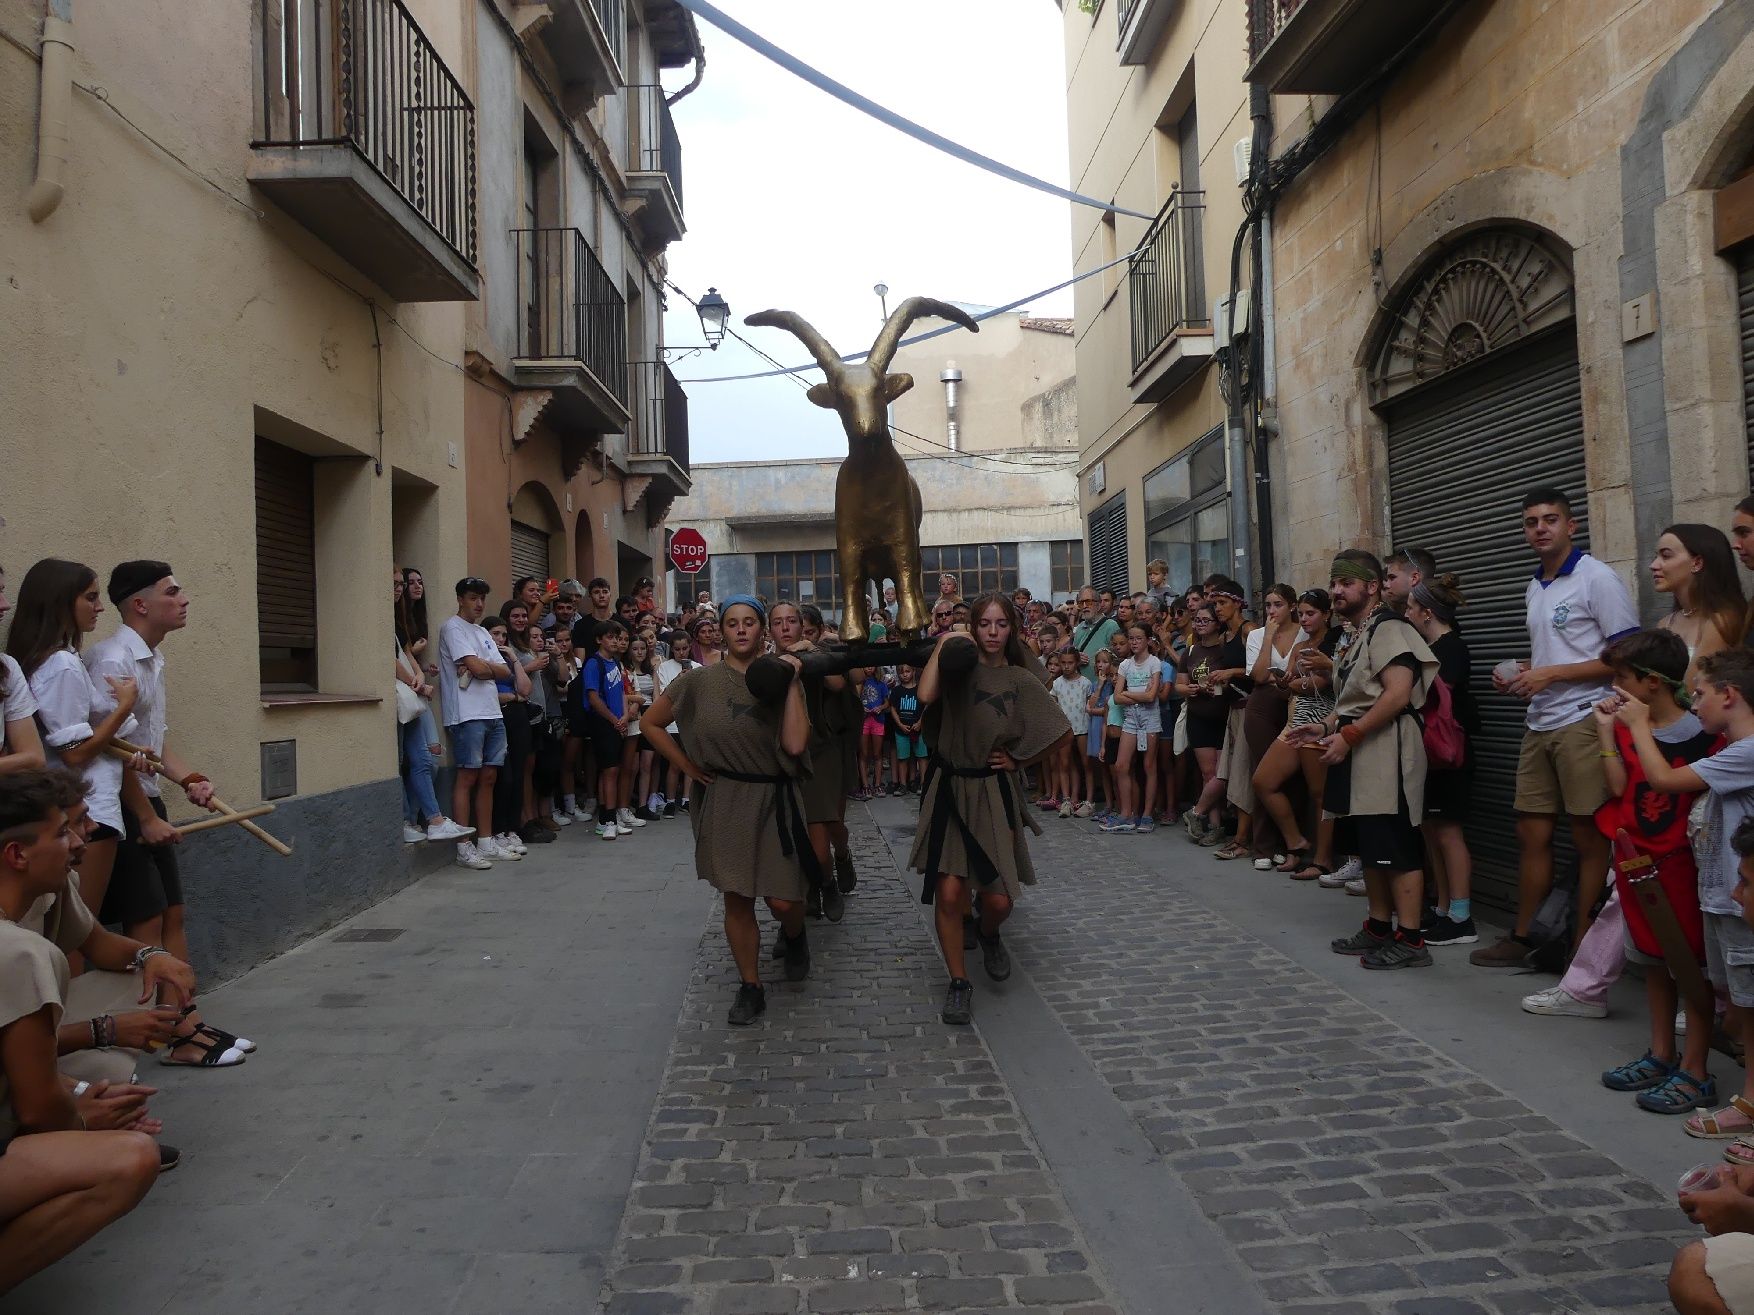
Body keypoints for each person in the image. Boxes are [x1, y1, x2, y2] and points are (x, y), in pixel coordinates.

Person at [0, 771, 166, 1291]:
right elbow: (36, 1107)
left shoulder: (46, 904)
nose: (80, 841)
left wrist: (75, 1096)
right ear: (16, 855)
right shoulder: (19, 953)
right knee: (130, 1158)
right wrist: (82, 1118)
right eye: (64, 833)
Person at [1472, 488, 1640, 967]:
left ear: (1572, 526)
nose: (1540, 528)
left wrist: (1552, 674)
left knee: (1589, 840)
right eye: (1531, 522)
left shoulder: (1597, 578)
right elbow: (1560, 652)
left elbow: (1626, 655)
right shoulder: (1535, 584)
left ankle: (1581, 950)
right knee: (1531, 832)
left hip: (1585, 720)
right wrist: (1526, 669)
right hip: (1540, 721)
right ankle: (1525, 937)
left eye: (1550, 519)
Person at [639, 597, 813, 1025]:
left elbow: (794, 745)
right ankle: (750, 985)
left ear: (763, 630)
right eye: (731, 623)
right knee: (738, 898)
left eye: (749, 623)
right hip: (727, 798)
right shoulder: (698, 682)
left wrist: (790, 679)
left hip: (777, 797)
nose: (740, 630)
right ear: (719, 630)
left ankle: (795, 934)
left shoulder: (781, 676)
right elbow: (650, 723)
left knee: (784, 900)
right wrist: (687, 767)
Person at [909, 594, 1072, 1025]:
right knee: (947, 892)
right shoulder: (958, 668)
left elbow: (1060, 730)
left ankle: (987, 930)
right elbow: (925, 693)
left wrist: (1020, 760)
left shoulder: (1019, 679)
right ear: (974, 627)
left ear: (1011, 631)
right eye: (985, 624)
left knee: (998, 900)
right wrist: (945, 643)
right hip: (948, 787)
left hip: (991, 790)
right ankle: (959, 983)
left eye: (1002, 624)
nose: (993, 632)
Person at [1616, 649, 1754, 1154]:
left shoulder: (1748, 749)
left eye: (1699, 694)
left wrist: (1635, 726)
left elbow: (1665, 780)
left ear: (1729, 695)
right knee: (1739, 1004)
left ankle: (1746, 1105)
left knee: (1748, 1007)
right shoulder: (1732, 750)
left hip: (1737, 903)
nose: (1693, 705)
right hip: (1723, 896)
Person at [1288, 550, 1438, 971]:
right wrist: (1324, 727)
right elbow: (1355, 698)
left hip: (1386, 750)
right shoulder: (1357, 633)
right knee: (1371, 847)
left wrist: (1350, 734)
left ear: (1372, 587)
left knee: (1396, 845)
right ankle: (1377, 926)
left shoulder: (1389, 627)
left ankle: (1410, 938)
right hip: (1360, 750)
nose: (1336, 590)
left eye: (1347, 583)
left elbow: (1397, 693)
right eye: (1334, 582)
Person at [1588, 630, 1718, 1115]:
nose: (1615, 687)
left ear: (1652, 684)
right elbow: (1620, 785)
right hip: (1636, 860)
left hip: (1681, 865)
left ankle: (1696, 1068)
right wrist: (1605, 733)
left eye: (1622, 678)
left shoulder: (1707, 734)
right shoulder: (1623, 727)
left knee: (1689, 964)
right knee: (1652, 960)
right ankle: (1661, 1053)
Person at [6, 560, 138, 937]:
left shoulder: (62, 658)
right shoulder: (61, 663)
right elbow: (76, 753)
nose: (100, 607)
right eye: (91, 597)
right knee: (76, 935)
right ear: (62, 601)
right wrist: (125, 705)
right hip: (86, 809)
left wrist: (133, 752)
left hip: (85, 808)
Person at [1403, 574, 1480, 944]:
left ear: (1427, 613)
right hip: (1432, 755)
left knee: (1449, 832)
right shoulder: (1433, 646)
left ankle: (1462, 916)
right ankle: (1444, 908)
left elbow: (1439, 702)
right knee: (1433, 831)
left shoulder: (1451, 649)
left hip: (1449, 755)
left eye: (1411, 608)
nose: (1407, 613)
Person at [768, 603, 849, 922]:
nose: (786, 627)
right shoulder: (766, 663)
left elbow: (839, 684)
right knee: (787, 841)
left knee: (819, 842)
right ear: (769, 629)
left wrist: (812, 652)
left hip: (819, 753)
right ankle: (807, 892)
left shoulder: (814, 653)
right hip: (780, 759)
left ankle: (827, 882)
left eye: (792, 621)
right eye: (778, 622)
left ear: (803, 626)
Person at [1253, 589, 1341, 881]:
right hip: (1295, 721)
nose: (1303, 619)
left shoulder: (1336, 640)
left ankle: (1323, 859)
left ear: (1326, 614)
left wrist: (1295, 683)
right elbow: (1290, 683)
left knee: (1320, 795)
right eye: (1301, 613)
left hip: (1321, 723)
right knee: (1263, 781)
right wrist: (1285, 683)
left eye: (1310, 613)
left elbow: (1324, 683)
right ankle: (1296, 841)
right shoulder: (1302, 642)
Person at [437, 577, 513, 869]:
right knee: (467, 777)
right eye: (472, 597)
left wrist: (484, 668)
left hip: (492, 711)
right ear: (460, 599)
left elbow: (503, 671)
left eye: (482, 598)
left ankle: (485, 841)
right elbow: (478, 668)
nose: (479, 604)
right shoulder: (452, 628)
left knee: (489, 778)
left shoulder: (482, 631)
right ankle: (463, 846)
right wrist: (482, 667)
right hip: (467, 714)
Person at [394, 569, 470, 845]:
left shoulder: (401, 620)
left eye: (404, 584)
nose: (402, 589)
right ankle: (407, 820)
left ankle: (433, 821)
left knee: (426, 760)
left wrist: (419, 675)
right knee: (405, 760)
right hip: (405, 697)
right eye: (398, 583)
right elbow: (391, 657)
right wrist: (416, 680)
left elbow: (404, 655)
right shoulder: (384, 616)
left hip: (412, 695)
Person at [1225, 584, 1298, 864]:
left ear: (1291, 606)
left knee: (1289, 776)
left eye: (1277, 604)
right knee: (1262, 773)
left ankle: (1288, 844)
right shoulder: (1257, 634)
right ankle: (1265, 846)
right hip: (1263, 706)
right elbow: (1257, 675)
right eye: (1268, 605)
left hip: (1294, 704)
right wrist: (1268, 636)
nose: (1271, 610)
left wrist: (1278, 675)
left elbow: (1296, 672)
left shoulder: (1302, 632)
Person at [1653, 523, 1746, 682]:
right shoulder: (1664, 624)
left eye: (1666, 556)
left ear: (1697, 563)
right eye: (1656, 556)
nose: (1654, 565)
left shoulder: (1721, 621)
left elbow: (1691, 691)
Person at [1177, 604, 1236, 845]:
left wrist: (1218, 685)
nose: (1199, 624)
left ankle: (1196, 812)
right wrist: (1191, 689)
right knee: (1208, 773)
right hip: (1198, 716)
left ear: (1216, 624)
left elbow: (1235, 679)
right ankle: (1214, 826)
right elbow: (1178, 685)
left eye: (1205, 620)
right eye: (1197, 620)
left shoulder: (1225, 650)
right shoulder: (1190, 651)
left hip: (1223, 716)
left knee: (1223, 773)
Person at [499, 603, 553, 846]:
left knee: (530, 770)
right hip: (517, 711)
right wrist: (530, 666)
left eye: (523, 616)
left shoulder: (523, 643)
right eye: (515, 616)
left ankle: (531, 818)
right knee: (520, 771)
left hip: (536, 714)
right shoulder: (505, 645)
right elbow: (508, 676)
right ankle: (521, 822)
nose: (520, 619)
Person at [1104, 624, 1162, 835]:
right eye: (1132, 638)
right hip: (1130, 719)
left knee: (1149, 766)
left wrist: (1130, 694)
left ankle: (1146, 814)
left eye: (1138, 638)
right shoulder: (1125, 665)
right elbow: (1117, 697)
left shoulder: (1154, 663)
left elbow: (1151, 696)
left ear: (1148, 640)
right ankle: (1127, 814)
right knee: (1121, 765)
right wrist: (1136, 695)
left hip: (1149, 719)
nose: (1134, 642)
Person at [581, 619, 631, 841]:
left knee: (612, 770)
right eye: (610, 637)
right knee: (609, 770)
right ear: (599, 639)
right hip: (603, 722)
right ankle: (609, 819)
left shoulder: (616, 663)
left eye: (617, 637)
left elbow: (621, 693)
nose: (614, 641)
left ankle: (606, 817)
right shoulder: (594, 663)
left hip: (617, 722)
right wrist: (613, 719)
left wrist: (624, 717)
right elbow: (593, 698)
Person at [653, 629, 698, 816]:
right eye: (677, 649)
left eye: (685, 648)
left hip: (690, 721)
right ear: (672, 649)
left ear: (690, 648)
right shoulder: (665, 667)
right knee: (674, 763)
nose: (681, 653)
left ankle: (687, 799)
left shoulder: (697, 667)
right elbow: (663, 693)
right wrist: (677, 681)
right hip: (671, 722)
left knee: (689, 762)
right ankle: (670, 800)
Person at [1048, 649, 1091, 818]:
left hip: (1082, 728)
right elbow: (1054, 705)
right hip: (1064, 729)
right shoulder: (1057, 683)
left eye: (1070, 663)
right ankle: (1067, 800)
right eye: (1063, 663)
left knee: (1086, 763)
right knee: (1065, 764)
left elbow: (1089, 704)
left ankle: (1087, 800)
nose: (1066, 666)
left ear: (1077, 663)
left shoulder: (1085, 683)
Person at [625, 635, 660, 822]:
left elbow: (656, 695)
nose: (639, 652)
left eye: (643, 649)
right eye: (635, 648)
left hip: (648, 715)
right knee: (633, 765)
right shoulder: (626, 670)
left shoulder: (650, 670)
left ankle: (643, 806)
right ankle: (626, 803)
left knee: (647, 764)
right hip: (632, 716)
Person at [1085, 649, 1118, 821]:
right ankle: (1108, 804)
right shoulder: (1095, 683)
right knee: (1103, 768)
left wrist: (1095, 710)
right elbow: (1089, 706)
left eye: (1105, 662)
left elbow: (1105, 709)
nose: (1101, 665)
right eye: (1098, 662)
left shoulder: (1115, 682)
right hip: (1096, 726)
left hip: (1109, 725)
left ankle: (1118, 805)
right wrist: (1099, 684)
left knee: (1113, 768)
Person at [888, 665, 927, 795]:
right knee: (902, 757)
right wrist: (900, 724)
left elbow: (926, 706)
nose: (904, 674)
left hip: (918, 729)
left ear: (914, 671)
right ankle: (903, 784)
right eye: (901, 672)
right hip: (902, 731)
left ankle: (923, 783)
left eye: (907, 671)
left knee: (922, 756)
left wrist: (920, 722)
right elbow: (892, 708)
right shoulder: (897, 690)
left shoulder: (920, 689)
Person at [855, 663, 890, 800]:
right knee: (863, 753)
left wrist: (880, 707)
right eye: (866, 666)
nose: (869, 668)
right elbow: (855, 699)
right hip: (864, 720)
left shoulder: (880, 683)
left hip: (878, 720)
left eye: (872, 666)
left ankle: (877, 784)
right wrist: (861, 708)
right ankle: (865, 785)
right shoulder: (859, 683)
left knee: (877, 753)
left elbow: (887, 702)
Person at [1072, 587, 1120, 669]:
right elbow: (1073, 654)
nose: (1084, 606)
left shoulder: (1111, 626)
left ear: (1098, 604)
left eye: (1088, 602)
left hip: (1102, 680)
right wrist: (1076, 658)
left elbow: (1117, 657)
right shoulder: (1079, 628)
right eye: (1081, 603)